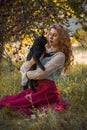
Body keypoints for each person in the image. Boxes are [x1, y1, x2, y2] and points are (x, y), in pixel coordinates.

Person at [0, 23, 73, 115]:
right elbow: (23, 68)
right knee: (11, 100)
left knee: (17, 105)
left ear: (61, 38)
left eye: (54, 35)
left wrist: (26, 75)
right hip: (35, 87)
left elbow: (41, 73)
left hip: (47, 91)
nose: (50, 37)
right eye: (50, 34)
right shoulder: (43, 50)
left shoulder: (60, 56)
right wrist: (31, 62)